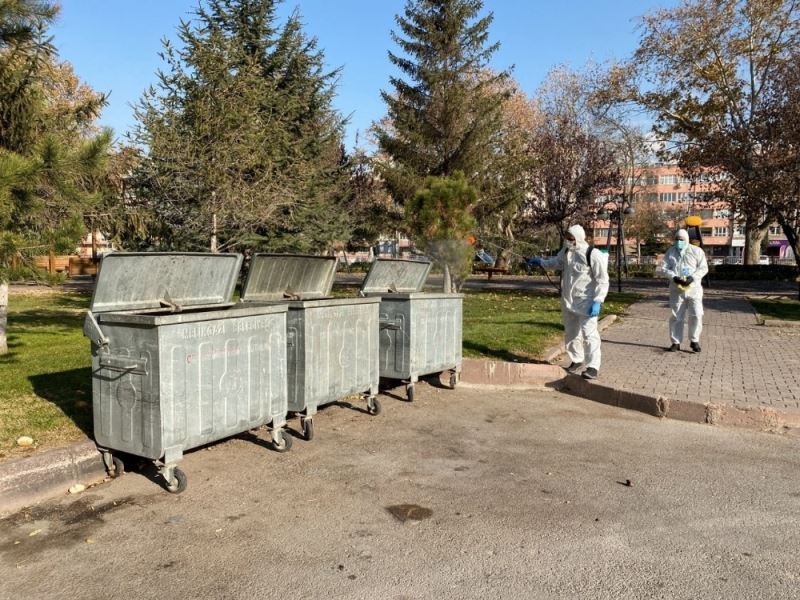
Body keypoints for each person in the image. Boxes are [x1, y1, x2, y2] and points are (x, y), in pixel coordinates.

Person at [528, 224, 609, 380]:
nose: (567, 240)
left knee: (589, 334)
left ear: (578, 238)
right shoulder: (566, 252)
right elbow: (556, 262)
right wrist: (541, 262)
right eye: (566, 237)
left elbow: (602, 280)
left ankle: (592, 367)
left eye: (570, 238)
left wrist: (598, 300)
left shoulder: (592, 254)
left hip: (586, 301)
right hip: (568, 300)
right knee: (571, 332)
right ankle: (576, 360)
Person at [659, 229, 709, 353]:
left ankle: (694, 340)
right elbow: (664, 268)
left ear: (686, 240)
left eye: (681, 240)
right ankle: (675, 342)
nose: (679, 242)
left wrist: (693, 278)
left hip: (694, 289)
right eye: (677, 239)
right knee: (676, 316)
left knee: (696, 314)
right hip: (677, 289)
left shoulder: (697, 251)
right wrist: (674, 277)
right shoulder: (671, 252)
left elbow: (703, 268)